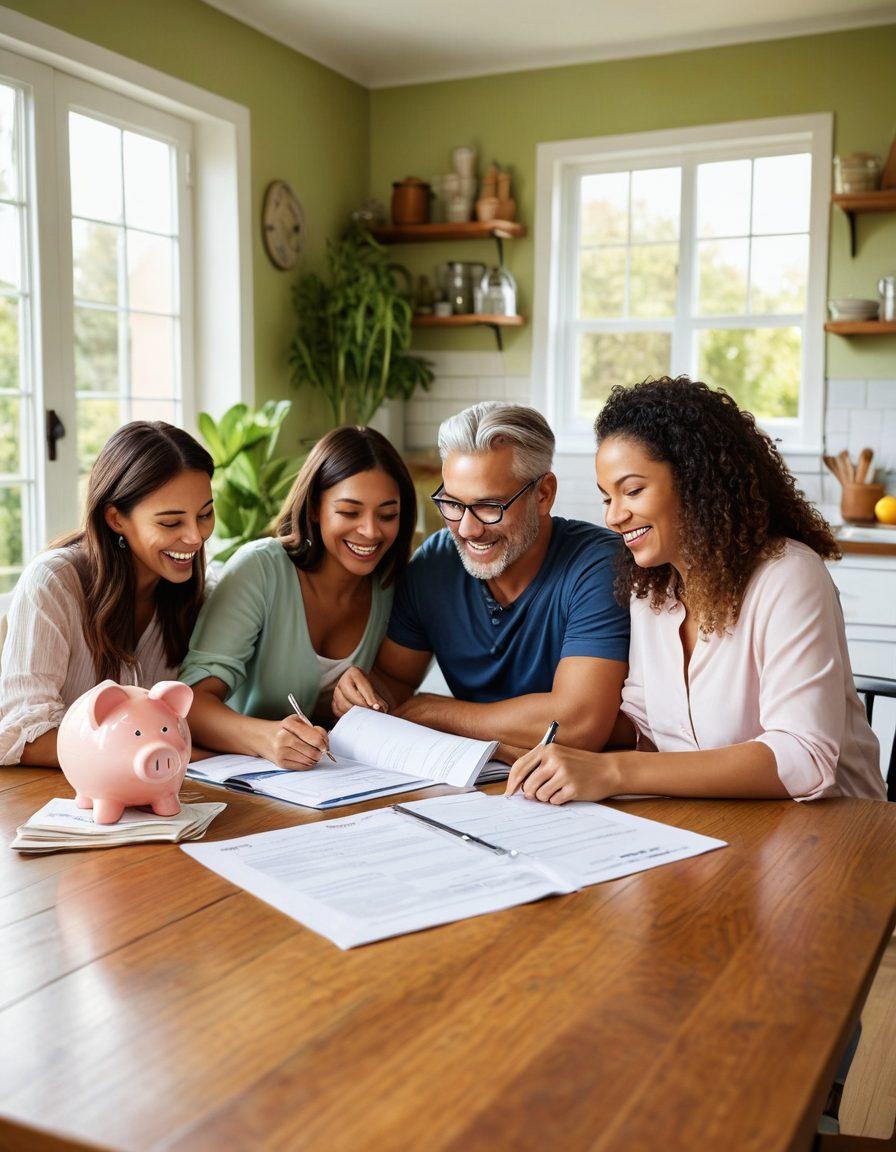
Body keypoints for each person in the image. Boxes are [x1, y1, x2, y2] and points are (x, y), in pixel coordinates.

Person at [506, 376, 885, 804]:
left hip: (836, 834)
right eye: (606, 498)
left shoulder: (788, 576)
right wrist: (540, 747)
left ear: (696, 478)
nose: (614, 516)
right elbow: (649, 725)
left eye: (632, 490)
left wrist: (614, 770)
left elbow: (802, 757)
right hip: (718, 824)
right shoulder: (652, 588)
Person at [333, 402, 631, 752]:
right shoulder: (435, 563)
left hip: (599, 791)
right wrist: (361, 695)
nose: (467, 529)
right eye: (453, 503)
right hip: (479, 780)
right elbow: (395, 681)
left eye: (490, 506)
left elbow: (578, 725)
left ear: (543, 494)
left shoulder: (598, 566)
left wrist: (438, 712)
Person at [180, 425, 417, 769]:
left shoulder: (392, 585)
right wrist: (266, 738)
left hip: (337, 781)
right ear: (313, 509)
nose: (371, 531)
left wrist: (346, 701)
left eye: (387, 515)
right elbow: (191, 704)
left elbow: (394, 688)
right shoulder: (260, 569)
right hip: (245, 781)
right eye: (349, 512)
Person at [0, 421, 216, 768]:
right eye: (171, 523)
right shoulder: (53, 583)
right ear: (116, 518)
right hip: (55, 798)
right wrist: (169, 755)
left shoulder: (199, 590)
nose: (195, 536)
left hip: (161, 797)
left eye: (205, 514)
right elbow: (25, 735)